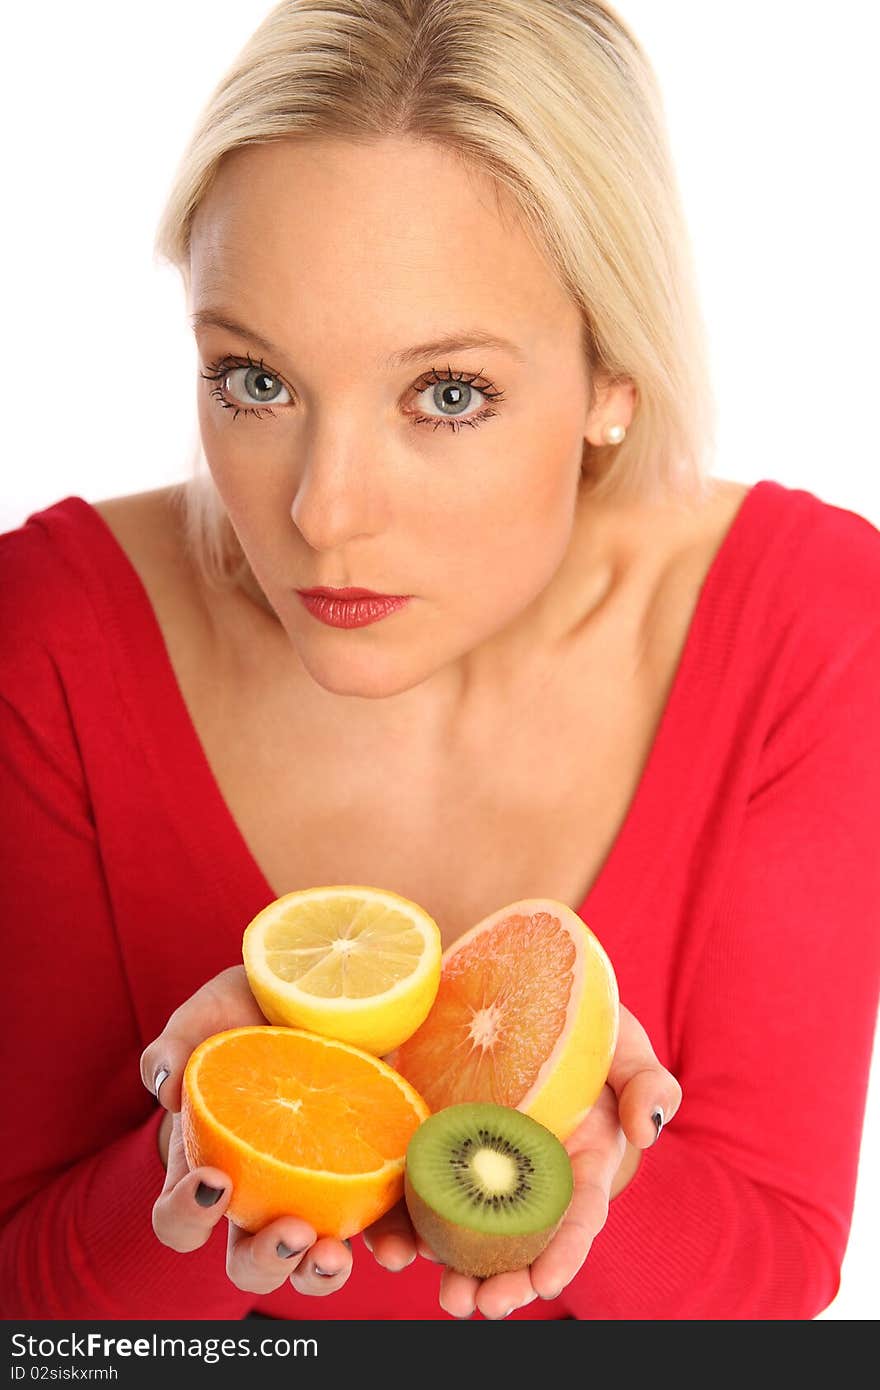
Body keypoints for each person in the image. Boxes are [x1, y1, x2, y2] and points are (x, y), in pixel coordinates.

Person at [1, 0, 878, 1323]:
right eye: (256, 380)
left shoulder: (809, 624)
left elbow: (779, 1267)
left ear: (611, 375)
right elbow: (26, 1296)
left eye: (448, 392)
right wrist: (206, 1145)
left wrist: (597, 1159)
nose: (323, 515)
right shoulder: (53, 629)